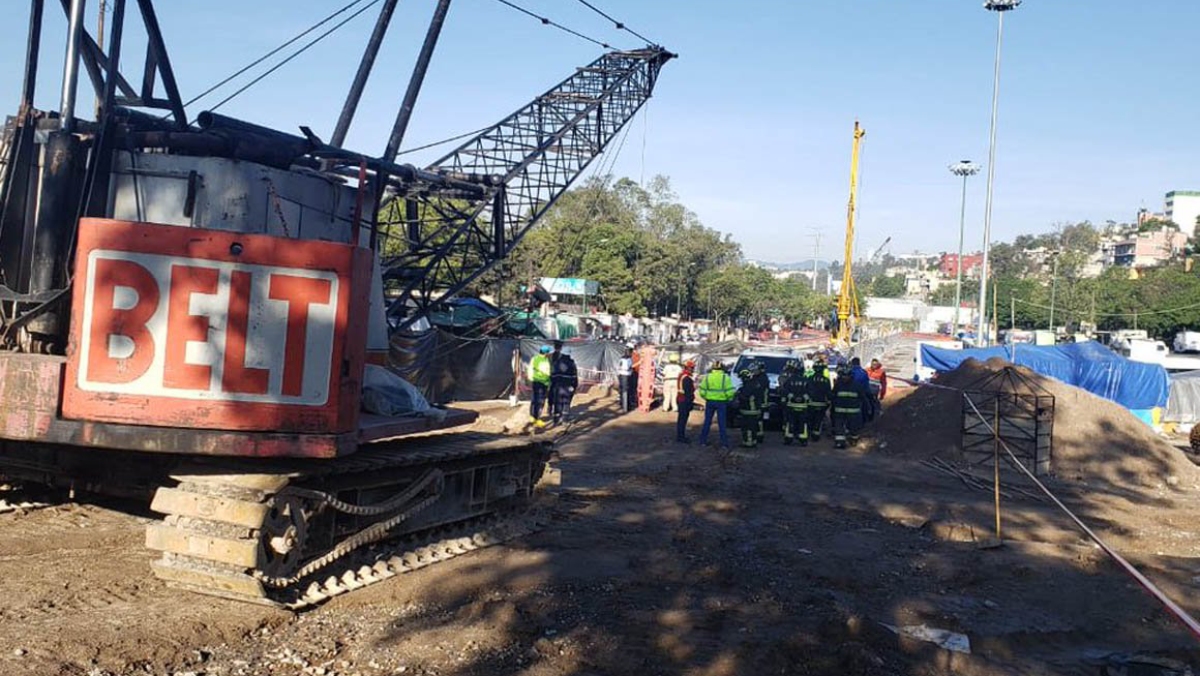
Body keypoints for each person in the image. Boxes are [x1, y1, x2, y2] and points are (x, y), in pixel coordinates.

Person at [698, 362, 735, 448]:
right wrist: (728, 398)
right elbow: (730, 391)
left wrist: (706, 397)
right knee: (722, 423)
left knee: (707, 421)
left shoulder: (707, 377)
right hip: (721, 402)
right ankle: (724, 443)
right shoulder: (725, 377)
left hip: (710, 401)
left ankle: (703, 441)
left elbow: (702, 390)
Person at [831, 364, 869, 449]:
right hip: (852, 411)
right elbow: (863, 398)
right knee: (849, 427)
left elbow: (833, 395)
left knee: (842, 426)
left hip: (841, 411)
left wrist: (832, 406)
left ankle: (843, 442)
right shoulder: (857, 385)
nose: (845, 378)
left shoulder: (838, 384)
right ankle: (849, 441)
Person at [735, 365, 768, 448]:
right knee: (753, 426)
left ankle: (748, 442)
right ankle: (754, 441)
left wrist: (739, 394)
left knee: (747, 427)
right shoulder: (756, 384)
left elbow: (744, 397)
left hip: (748, 410)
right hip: (756, 409)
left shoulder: (747, 387)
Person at [778, 360, 809, 446]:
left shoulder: (789, 380)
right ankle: (803, 439)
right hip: (803, 406)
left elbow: (784, 390)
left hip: (791, 405)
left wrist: (784, 400)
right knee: (802, 423)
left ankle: (789, 438)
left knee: (790, 422)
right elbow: (811, 392)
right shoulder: (806, 380)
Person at [550, 346, 579, 424]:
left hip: (558, 387)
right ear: (569, 354)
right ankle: (564, 419)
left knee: (557, 402)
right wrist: (574, 386)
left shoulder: (556, 363)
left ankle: (556, 420)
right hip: (568, 388)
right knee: (566, 403)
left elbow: (552, 376)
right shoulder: (572, 364)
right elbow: (574, 377)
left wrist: (552, 386)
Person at [805, 361, 832, 441]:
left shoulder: (810, 379)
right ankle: (815, 435)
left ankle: (807, 433)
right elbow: (828, 392)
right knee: (818, 420)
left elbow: (806, 390)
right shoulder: (826, 380)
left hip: (810, 403)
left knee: (810, 419)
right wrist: (830, 401)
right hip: (821, 404)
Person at [528, 345, 553, 428]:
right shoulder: (544, 361)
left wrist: (531, 378)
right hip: (543, 383)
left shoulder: (534, 358)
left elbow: (530, 369)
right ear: (546, 353)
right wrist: (549, 381)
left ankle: (532, 416)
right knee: (540, 401)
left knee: (534, 399)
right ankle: (537, 419)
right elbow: (546, 373)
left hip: (535, 382)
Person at [749, 361, 770, 444]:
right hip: (760, 402)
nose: (753, 371)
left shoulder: (762, 379)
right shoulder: (761, 377)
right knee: (759, 420)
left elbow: (757, 391)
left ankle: (759, 436)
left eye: (755, 370)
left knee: (758, 419)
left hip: (761, 402)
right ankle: (758, 435)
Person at [675, 360, 696, 443]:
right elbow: (688, 391)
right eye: (692, 368)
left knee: (681, 419)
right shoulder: (686, 378)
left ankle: (680, 436)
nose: (693, 370)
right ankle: (681, 437)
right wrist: (690, 402)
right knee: (683, 420)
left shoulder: (682, 375)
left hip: (681, 399)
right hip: (684, 400)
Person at [848, 357, 875, 422]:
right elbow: (866, 383)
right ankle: (869, 418)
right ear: (859, 363)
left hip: (851, 392)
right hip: (863, 392)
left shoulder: (850, 372)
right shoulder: (863, 372)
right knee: (868, 404)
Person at [617, 348, 635, 412]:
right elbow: (629, 367)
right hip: (626, 375)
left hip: (620, 375)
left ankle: (622, 404)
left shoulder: (621, 358)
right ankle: (626, 407)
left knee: (622, 390)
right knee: (626, 391)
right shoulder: (629, 359)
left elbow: (619, 366)